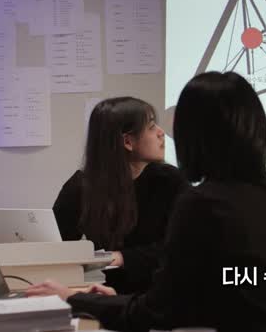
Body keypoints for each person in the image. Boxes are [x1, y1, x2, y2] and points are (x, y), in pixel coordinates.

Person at [29, 72, 266, 332]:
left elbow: (158, 313)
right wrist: (117, 301)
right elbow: (209, 302)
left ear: (194, 137)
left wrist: (74, 298)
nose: (163, 133)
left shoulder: (202, 203)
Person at [53, 97, 187, 293]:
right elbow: (56, 246)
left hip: (162, 293)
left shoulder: (171, 181)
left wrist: (123, 257)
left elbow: (184, 248)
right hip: (107, 294)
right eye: (151, 127)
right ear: (127, 142)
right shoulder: (81, 186)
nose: (161, 132)